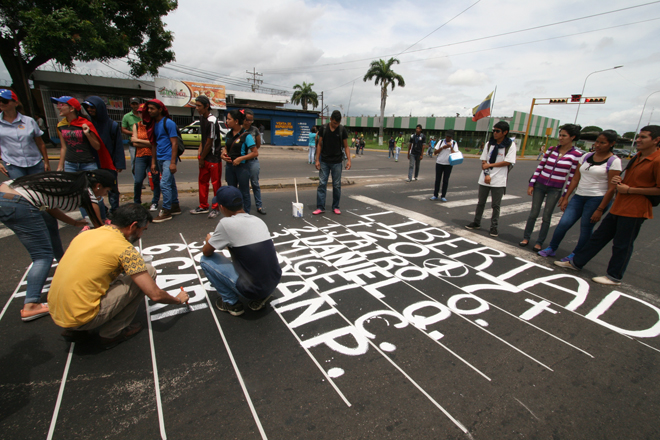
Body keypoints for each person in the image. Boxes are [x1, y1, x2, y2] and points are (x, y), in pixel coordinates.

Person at [48, 204, 189, 348]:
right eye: (142, 230)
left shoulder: (87, 234)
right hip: (82, 317)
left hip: (57, 312)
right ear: (133, 226)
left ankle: (75, 330)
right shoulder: (125, 250)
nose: (140, 236)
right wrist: (178, 299)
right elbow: (155, 295)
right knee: (149, 271)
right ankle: (111, 333)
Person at [0, 170, 115, 322]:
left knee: (49, 223)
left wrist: (74, 222)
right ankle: (31, 305)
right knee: (42, 256)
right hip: (19, 203)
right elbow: (99, 228)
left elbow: (48, 206)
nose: (105, 195)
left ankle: (63, 263)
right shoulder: (87, 193)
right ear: (98, 186)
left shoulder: (71, 181)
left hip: (6, 195)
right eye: (106, 191)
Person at [555, 125, 660, 286]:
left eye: (643, 137)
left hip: (635, 209)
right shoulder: (637, 157)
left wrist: (630, 189)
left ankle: (614, 276)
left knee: (622, 244)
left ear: (656, 140)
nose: (638, 140)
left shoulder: (657, 160)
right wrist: (620, 182)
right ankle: (576, 262)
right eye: (638, 136)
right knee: (598, 237)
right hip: (619, 205)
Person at [538, 130, 621, 261]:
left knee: (586, 227)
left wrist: (600, 209)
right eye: (597, 142)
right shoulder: (587, 156)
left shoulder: (614, 161)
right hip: (579, 196)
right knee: (564, 223)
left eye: (602, 143)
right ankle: (552, 248)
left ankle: (576, 254)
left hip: (596, 199)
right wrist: (566, 197)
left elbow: (612, 189)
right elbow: (575, 179)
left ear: (612, 144)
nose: (598, 145)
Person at [200, 186, 282, 316]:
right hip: (273, 280)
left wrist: (209, 241)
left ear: (222, 207)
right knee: (252, 261)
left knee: (205, 261)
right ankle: (261, 295)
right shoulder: (258, 220)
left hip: (252, 289)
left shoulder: (226, 223)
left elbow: (207, 252)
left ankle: (232, 303)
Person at [520, 124, 582, 251]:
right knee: (534, 213)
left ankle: (539, 241)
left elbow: (571, 177)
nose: (561, 138)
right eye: (560, 135)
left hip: (556, 188)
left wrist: (565, 195)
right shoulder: (551, 150)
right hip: (540, 185)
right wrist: (532, 184)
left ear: (572, 137)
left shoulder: (576, 155)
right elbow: (540, 167)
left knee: (547, 216)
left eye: (564, 135)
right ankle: (526, 237)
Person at [465, 121, 517, 237]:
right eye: (494, 130)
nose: (495, 133)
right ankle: (476, 222)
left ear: (505, 132)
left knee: (495, 205)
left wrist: (490, 165)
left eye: (497, 131)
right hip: (485, 177)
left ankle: (494, 227)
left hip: (499, 179)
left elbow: (508, 161)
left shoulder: (510, 145)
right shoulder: (489, 144)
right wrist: (487, 173)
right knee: (481, 202)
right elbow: (484, 161)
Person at [83, 96, 126, 217]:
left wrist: (119, 163)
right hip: (92, 161)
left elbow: (118, 145)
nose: (90, 110)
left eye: (93, 107)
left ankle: (115, 210)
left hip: (108, 161)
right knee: (93, 188)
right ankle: (100, 211)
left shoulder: (111, 125)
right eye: (87, 107)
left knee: (111, 188)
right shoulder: (87, 124)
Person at [0, 89, 50, 178]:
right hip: (12, 163)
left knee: (37, 189)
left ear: (16, 103)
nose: (1, 103)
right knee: (20, 190)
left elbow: (40, 143)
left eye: (4, 101)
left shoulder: (29, 121)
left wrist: (46, 162)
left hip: (35, 163)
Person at [146, 99, 181, 222]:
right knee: (170, 182)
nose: (149, 111)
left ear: (160, 109)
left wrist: (172, 162)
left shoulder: (169, 123)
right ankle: (175, 205)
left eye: (152, 109)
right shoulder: (153, 125)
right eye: (148, 109)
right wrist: (153, 162)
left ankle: (166, 210)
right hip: (160, 158)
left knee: (164, 183)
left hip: (168, 157)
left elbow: (174, 143)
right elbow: (154, 144)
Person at [189, 96, 223, 218]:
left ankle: (216, 208)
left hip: (213, 157)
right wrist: (200, 154)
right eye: (196, 105)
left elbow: (209, 142)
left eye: (199, 106)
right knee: (202, 182)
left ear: (207, 106)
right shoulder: (201, 119)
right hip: (204, 156)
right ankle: (203, 206)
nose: (197, 108)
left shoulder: (212, 120)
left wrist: (202, 157)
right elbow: (203, 140)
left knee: (215, 184)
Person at [314, 110, 351, 215]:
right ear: (330, 119)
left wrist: (349, 160)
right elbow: (319, 144)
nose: (336, 125)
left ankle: (336, 206)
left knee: (337, 185)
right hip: (325, 161)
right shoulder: (324, 128)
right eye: (334, 123)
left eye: (338, 123)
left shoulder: (341, 130)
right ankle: (320, 207)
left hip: (337, 162)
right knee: (322, 184)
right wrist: (317, 160)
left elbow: (346, 146)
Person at [221, 109, 257, 214]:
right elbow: (226, 148)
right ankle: (233, 213)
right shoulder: (228, 135)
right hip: (229, 167)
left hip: (242, 168)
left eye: (229, 119)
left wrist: (241, 158)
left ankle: (245, 214)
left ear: (236, 121)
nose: (227, 121)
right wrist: (223, 155)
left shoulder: (246, 136)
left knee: (244, 192)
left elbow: (255, 153)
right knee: (231, 191)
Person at [131, 104, 161, 211]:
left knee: (155, 179)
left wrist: (139, 141)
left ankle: (155, 201)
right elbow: (134, 142)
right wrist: (149, 143)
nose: (142, 114)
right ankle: (137, 202)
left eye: (144, 112)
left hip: (153, 156)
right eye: (140, 112)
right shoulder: (137, 126)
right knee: (138, 180)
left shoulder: (153, 125)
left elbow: (155, 143)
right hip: (140, 156)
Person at [244, 109, 266, 215]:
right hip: (242, 161)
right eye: (247, 119)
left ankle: (259, 206)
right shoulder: (239, 129)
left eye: (251, 120)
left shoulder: (254, 130)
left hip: (252, 161)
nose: (249, 122)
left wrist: (251, 153)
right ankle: (244, 207)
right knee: (243, 185)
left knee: (255, 184)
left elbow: (257, 145)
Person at [430, 129, 459, 202]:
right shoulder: (441, 142)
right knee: (437, 180)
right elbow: (435, 152)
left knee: (445, 180)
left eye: (449, 137)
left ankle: (443, 195)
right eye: (447, 136)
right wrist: (443, 147)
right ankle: (435, 195)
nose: (448, 138)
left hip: (448, 164)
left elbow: (455, 154)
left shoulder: (454, 143)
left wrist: (451, 147)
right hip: (439, 162)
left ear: (451, 137)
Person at [121, 97, 142, 175]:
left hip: (145, 143)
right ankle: (138, 181)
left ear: (139, 104)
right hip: (133, 144)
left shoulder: (144, 115)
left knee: (148, 162)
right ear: (130, 105)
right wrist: (134, 133)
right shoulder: (127, 116)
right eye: (133, 104)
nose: (135, 105)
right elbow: (123, 129)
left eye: (136, 104)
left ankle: (150, 181)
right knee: (135, 162)